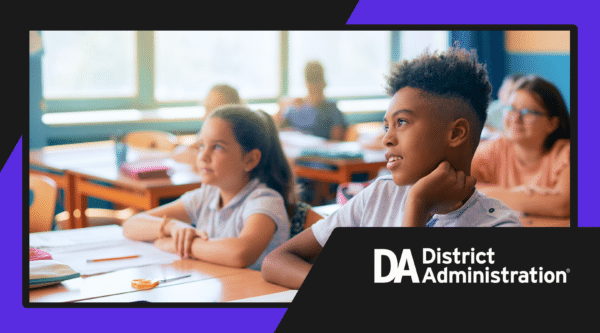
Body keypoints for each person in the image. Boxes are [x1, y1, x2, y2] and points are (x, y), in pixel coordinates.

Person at [261, 47, 523, 290]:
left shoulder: (497, 227)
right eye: (387, 126)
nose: (387, 138)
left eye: (402, 122)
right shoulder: (379, 196)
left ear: (456, 133)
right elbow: (277, 261)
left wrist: (418, 204)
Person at [123, 106, 298, 270]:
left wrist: (181, 244)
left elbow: (240, 253)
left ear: (250, 160)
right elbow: (131, 225)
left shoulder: (265, 201)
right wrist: (173, 228)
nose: (203, 156)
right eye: (201, 145)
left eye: (218, 147)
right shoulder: (206, 196)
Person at [471, 75, 570, 218]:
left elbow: (563, 206)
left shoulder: (566, 153)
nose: (516, 118)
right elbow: (458, 190)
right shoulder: (493, 149)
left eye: (527, 112)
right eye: (511, 108)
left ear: (552, 124)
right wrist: (534, 199)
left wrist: (486, 195)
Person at [275, 60, 347, 141]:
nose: (314, 88)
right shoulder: (293, 108)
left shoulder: (333, 111)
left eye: (317, 84)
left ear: (324, 84)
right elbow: (275, 131)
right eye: (311, 84)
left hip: (318, 151)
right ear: (306, 84)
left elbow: (336, 143)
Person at [172, 84, 241, 167]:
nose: (204, 117)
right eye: (206, 108)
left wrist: (195, 158)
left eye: (211, 109)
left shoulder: (235, 141)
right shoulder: (206, 136)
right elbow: (179, 153)